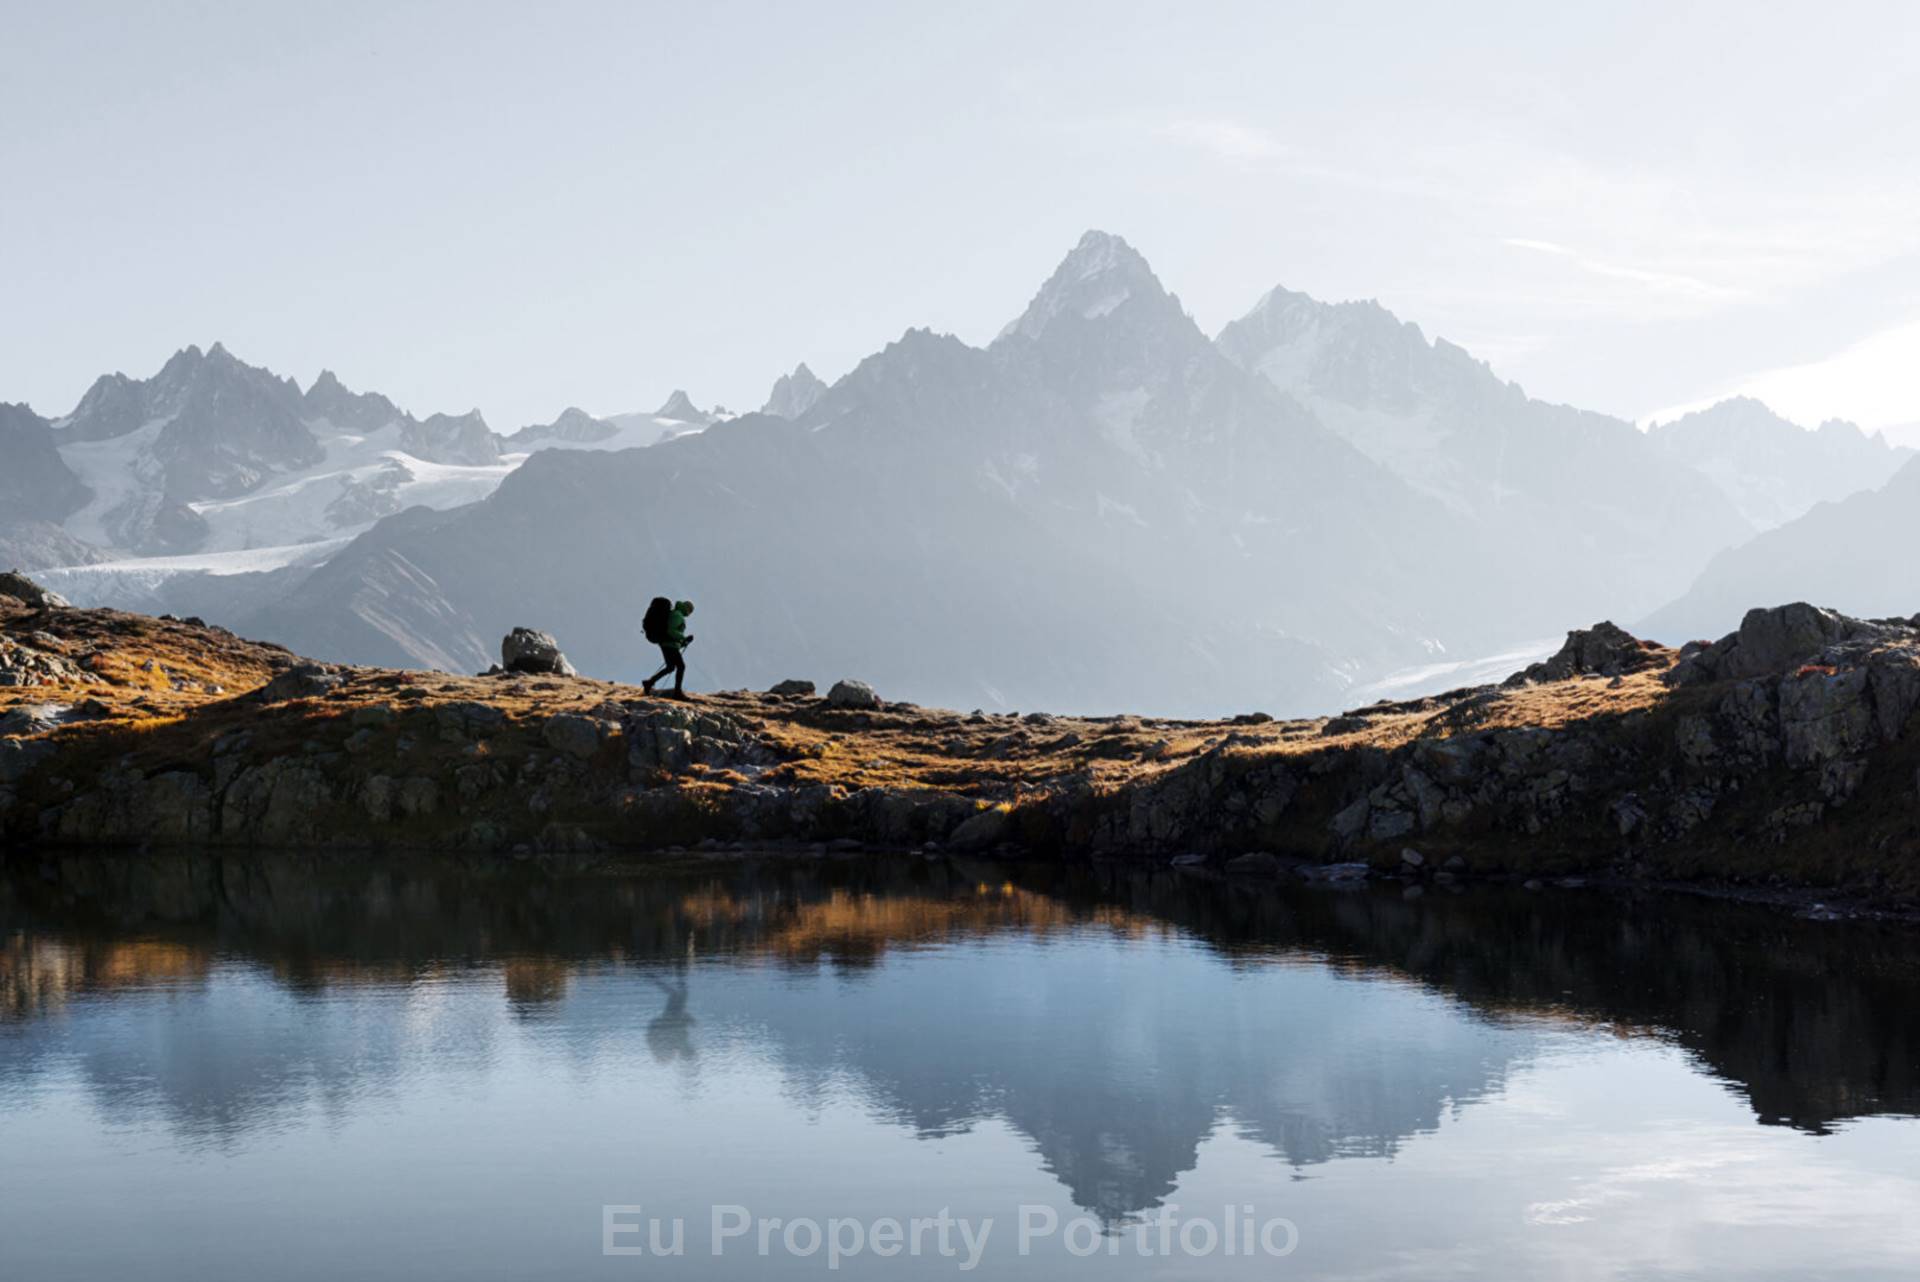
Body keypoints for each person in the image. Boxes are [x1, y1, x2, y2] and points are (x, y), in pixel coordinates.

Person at [642, 598, 695, 698]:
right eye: (690, 611)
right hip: (669, 645)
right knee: (681, 666)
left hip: (666, 644)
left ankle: (649, 683)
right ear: (687, 609)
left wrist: (683, 641)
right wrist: (683, 638)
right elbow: (671, 631)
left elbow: (672, 634)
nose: (689, 613)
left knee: (670, 667)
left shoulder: (675, 614)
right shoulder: (677, 615)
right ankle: (677, 693)